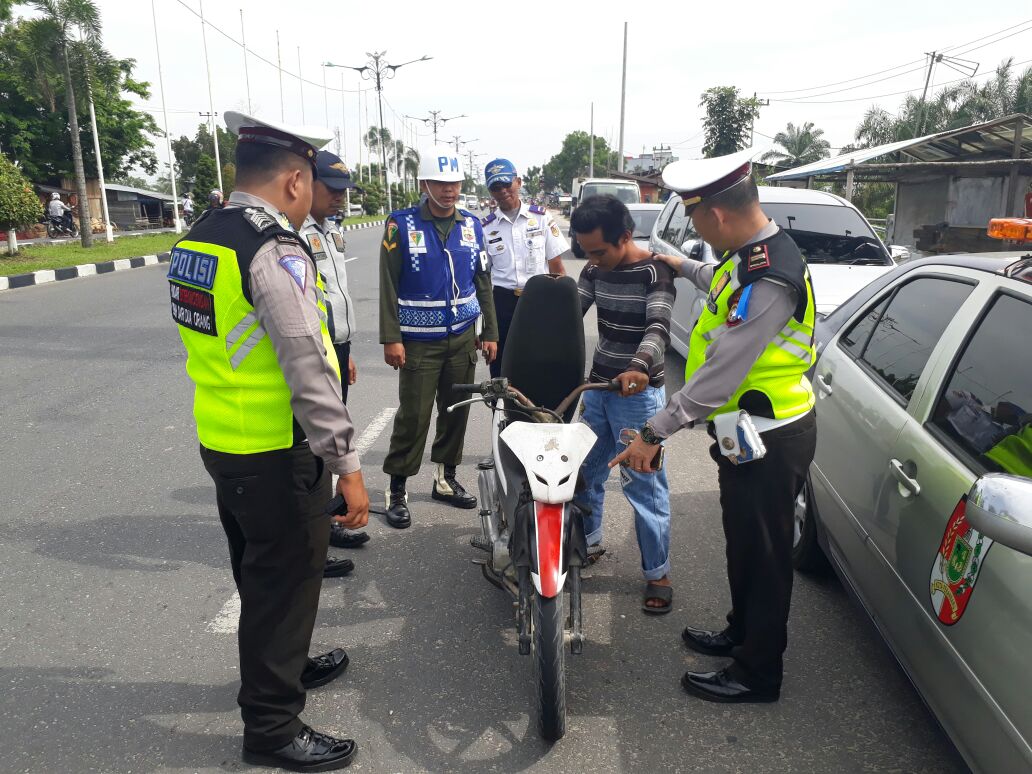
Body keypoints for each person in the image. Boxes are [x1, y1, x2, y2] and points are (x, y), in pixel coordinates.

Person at [168, 110, 369, 771]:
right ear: (291, 181)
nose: (315, 196)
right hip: (277, 451)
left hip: (225, 439)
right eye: (312, 182)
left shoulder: (201, 236)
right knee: (284, 581)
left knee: (261, 572)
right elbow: (307, 365)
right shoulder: (272, 249)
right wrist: (347, 464)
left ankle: (290, 665)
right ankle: (273, 729)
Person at [612, 146, 818, 704]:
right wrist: (676, 263)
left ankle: (758, 673)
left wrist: (655, 431)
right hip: (744, 434)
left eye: (695, 217)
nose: (696, 228)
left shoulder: (772, 275)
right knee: (744, 544)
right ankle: (741, 632)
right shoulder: (754, 252)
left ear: (716, 216)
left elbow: (720, 376)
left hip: (771, 436)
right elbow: (721, 282)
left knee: (766, 556)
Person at [379, 144, 498, 528]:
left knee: (455, 412)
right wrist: (390, 337)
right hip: (417, 341)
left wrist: (490, 332)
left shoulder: (471, 226)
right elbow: (388, 283)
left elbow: (483, 280)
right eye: (440, 183)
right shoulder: (402, 225)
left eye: (455, 183)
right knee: (413, 416)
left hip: (462, 337)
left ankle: (445, 478)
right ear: (424, 183)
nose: (449, 190)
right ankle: (397, 488)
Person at [570, 195, 675, 614]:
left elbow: (658, 327)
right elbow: (569, 311)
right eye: (586, 252)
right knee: (585, 470)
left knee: (643, 484)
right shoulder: (595, 266)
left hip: (638, 396)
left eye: (598, 251)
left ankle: (658, 573)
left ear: (625, 237)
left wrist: (638, 366)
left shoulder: (656, 270)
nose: (592, 261)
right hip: (596, 389)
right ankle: (589, 543)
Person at [300, 150, 368, 551]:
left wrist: (345, 347)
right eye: (332, 188)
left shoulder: (330, 229)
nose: (340, 196)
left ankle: (327, 521)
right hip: (314, 352)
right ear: (307, 183)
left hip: (337, 348)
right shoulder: (293, 231)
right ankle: (313, 536)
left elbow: (334, 297)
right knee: (318, 442)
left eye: (345, 189)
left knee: (330, 439)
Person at [481, 158, 568, 377]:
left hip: (537, 300)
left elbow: (557, 267)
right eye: (495, 187)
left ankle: (533, 411)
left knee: (537, 364)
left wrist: (558, 311)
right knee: (500, 368)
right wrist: (483, 326)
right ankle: (499, 412)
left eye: (506, 184)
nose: (502, 191)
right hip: (502, 303)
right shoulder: (485, 227)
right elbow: (481, 278)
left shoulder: (540, 218)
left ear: (518, 182)